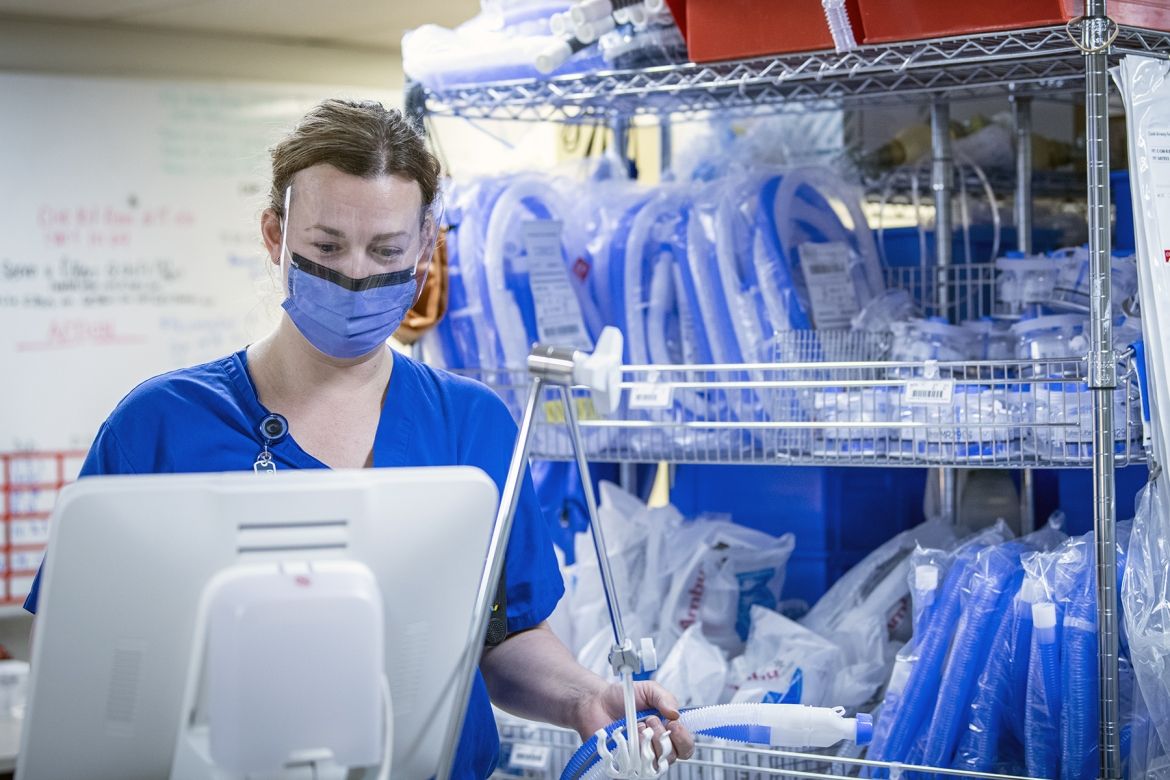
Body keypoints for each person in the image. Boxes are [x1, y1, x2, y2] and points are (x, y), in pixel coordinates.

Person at [23, 99, 694, 778]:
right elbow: (87, 663)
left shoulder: (471, 426)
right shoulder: (159, 426)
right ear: (273, 235)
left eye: (386, 250)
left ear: (425, 246)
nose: (355, 275)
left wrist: (586, 696)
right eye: (325, 247)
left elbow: (502, 637)